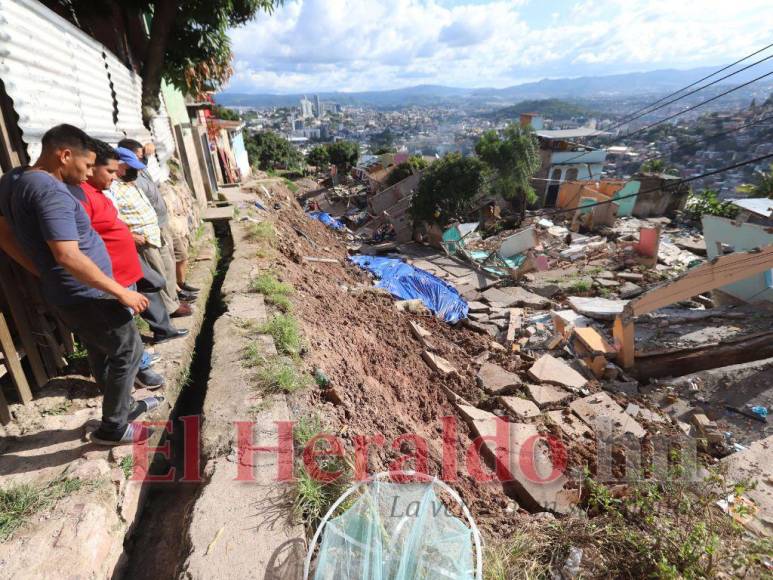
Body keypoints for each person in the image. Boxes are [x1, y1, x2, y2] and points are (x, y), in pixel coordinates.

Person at [0, 124, 152, 445]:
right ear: (64, 154)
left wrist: (43, 270)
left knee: (102, 349)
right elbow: (68, 254)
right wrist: (119, 290)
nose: (86, 176)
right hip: (88, 293)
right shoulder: (50, 191)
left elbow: (4, 234)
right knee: (128, 350)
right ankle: (113, 428)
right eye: (84, 167)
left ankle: (124, 407)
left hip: (73, 291)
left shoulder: (14, 179)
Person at [70, 139, 187, 359]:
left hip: (127, 260)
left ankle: (160, 333)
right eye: (111, 171)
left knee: (154, 284)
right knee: (122, 321)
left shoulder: (100, 190)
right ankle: (141, 362)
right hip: (113, 268)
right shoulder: (82, 196)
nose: (115, 176)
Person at [108, 147, 192, 319]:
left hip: (154, 231)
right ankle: (169, 310)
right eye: (129, 167)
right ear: (120, 165)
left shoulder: (129, 182)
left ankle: (174, 302)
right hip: (142, 236)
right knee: (157, 274)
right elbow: (115, 216)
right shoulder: (111, 187)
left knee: (168, 268)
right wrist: (130, 235)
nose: (133, 170)